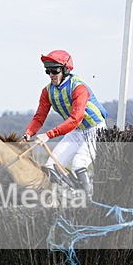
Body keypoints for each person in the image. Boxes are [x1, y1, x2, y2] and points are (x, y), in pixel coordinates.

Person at [21, 49, 108, 198]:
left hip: (95, 129)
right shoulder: (47, 91)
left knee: (79, 164)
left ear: (66, 70)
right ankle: (75, 195)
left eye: (54, 70)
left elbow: (75, 119)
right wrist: (29, 132)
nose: (51, 75)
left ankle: (91, 200)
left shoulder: (79, 87)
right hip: (77, 132)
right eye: (47, 71)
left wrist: (49, 135)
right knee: (51, 167)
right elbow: (40, 116)